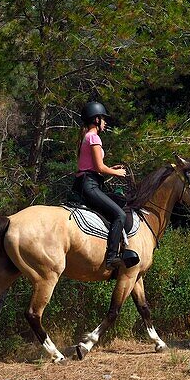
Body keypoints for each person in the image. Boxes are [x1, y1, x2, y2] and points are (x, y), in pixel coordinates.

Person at [74, 101, 129, 269]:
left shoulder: (87, 136)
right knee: (120, 214)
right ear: (96, 120)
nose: (105, 122)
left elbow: (92, 166)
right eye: (103, 119)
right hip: (89, 185)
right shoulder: (94, 137)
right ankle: (112, 257)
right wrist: (117, 173)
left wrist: (110, 169)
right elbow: (99, 167)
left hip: (86, 182)